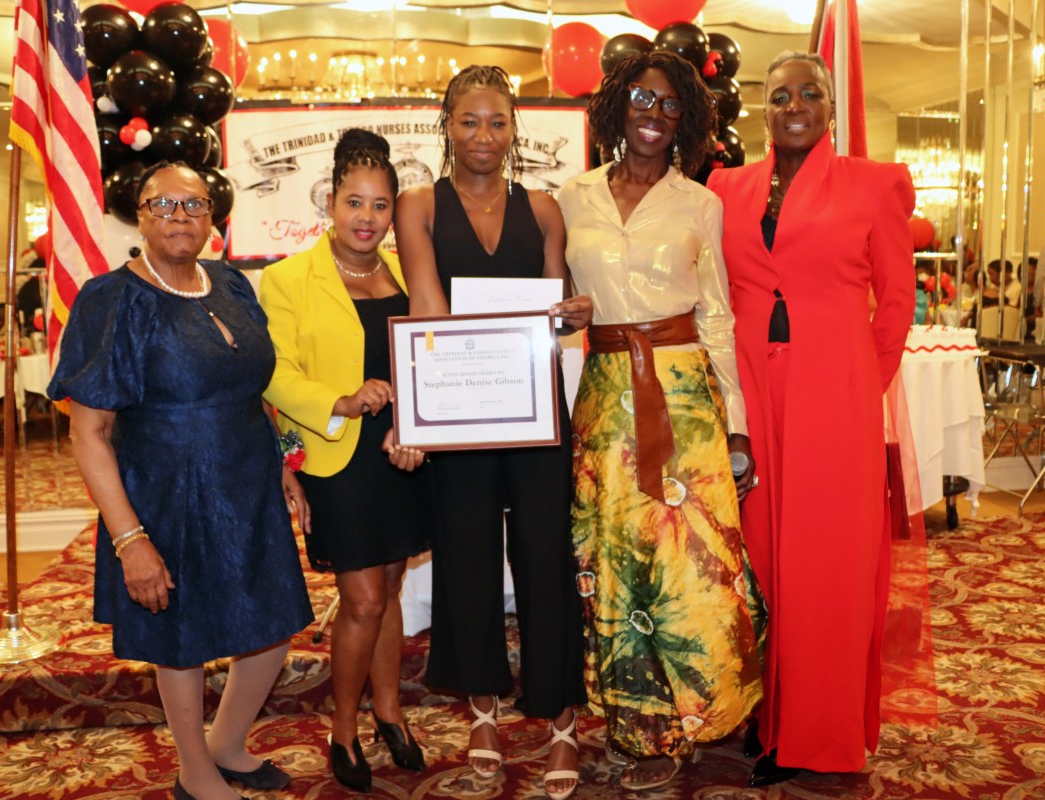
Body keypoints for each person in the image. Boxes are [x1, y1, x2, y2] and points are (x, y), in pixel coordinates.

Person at [48, 161, 315, 800]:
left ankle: (227, 742)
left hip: (248, 486)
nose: (179, 217)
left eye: (193, 206)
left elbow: (255, 390)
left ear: (212, 219)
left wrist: (284, 465)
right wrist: (129, 538)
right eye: (162, 205)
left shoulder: (231, 284)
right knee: (183, 638)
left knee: (272, 622)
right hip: (166, 495)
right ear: (138, 216)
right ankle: (195, 773)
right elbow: (87, 432)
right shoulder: (111, 299)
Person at [706, 52, 916, 787]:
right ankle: (770, 717)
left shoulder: (876, 183)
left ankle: (818, 737)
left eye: (810, 92)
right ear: (762, 110)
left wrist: (858, 391)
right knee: (762, 560)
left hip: (836, 401)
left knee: (827, 568)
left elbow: (895, 307)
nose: (794, 104)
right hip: (753, 399)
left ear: (830, 105)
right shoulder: (726, 188)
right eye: (779, 94)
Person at [557, 50, 762, 792]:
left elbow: (717, 315)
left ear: (688, 121)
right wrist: (558, 321)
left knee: (691, 565)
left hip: (683, 398)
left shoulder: (700, 204)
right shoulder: (570, 196)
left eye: (670, 106)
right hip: (607, 394)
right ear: (618, 106)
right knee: (613, 559)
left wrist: (734, 421)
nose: (654, 115)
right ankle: (633, 724)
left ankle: (698, 717)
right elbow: (548, 304)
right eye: (642, 99)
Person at [394, 64, 592, 800]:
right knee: (468, 556)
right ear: (446, 126)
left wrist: (572, 313)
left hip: (535, 407)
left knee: (546, 558)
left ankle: (560, 716)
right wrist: (431, 406)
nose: (484, 135)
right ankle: (483, 710)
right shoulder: (417, 205)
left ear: (515, 130)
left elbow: (555, 301)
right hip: (459, 408)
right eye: (470, 121)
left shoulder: (542, 209)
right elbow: (424, 301)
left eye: (498, 122)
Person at [259, 129, 431, 794]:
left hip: (405, 453)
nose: (367, 218)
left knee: (387, 591)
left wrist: (422, 424)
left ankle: (389, 711)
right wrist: (343, 399)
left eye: (381, 205)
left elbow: (433, 353)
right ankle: (344, 727)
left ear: (394, 211)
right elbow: (274, 373)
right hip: (340, 454)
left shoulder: (408, 271)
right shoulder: (286, 279)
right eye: (354, 202)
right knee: (360, 600)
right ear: (330, 202)